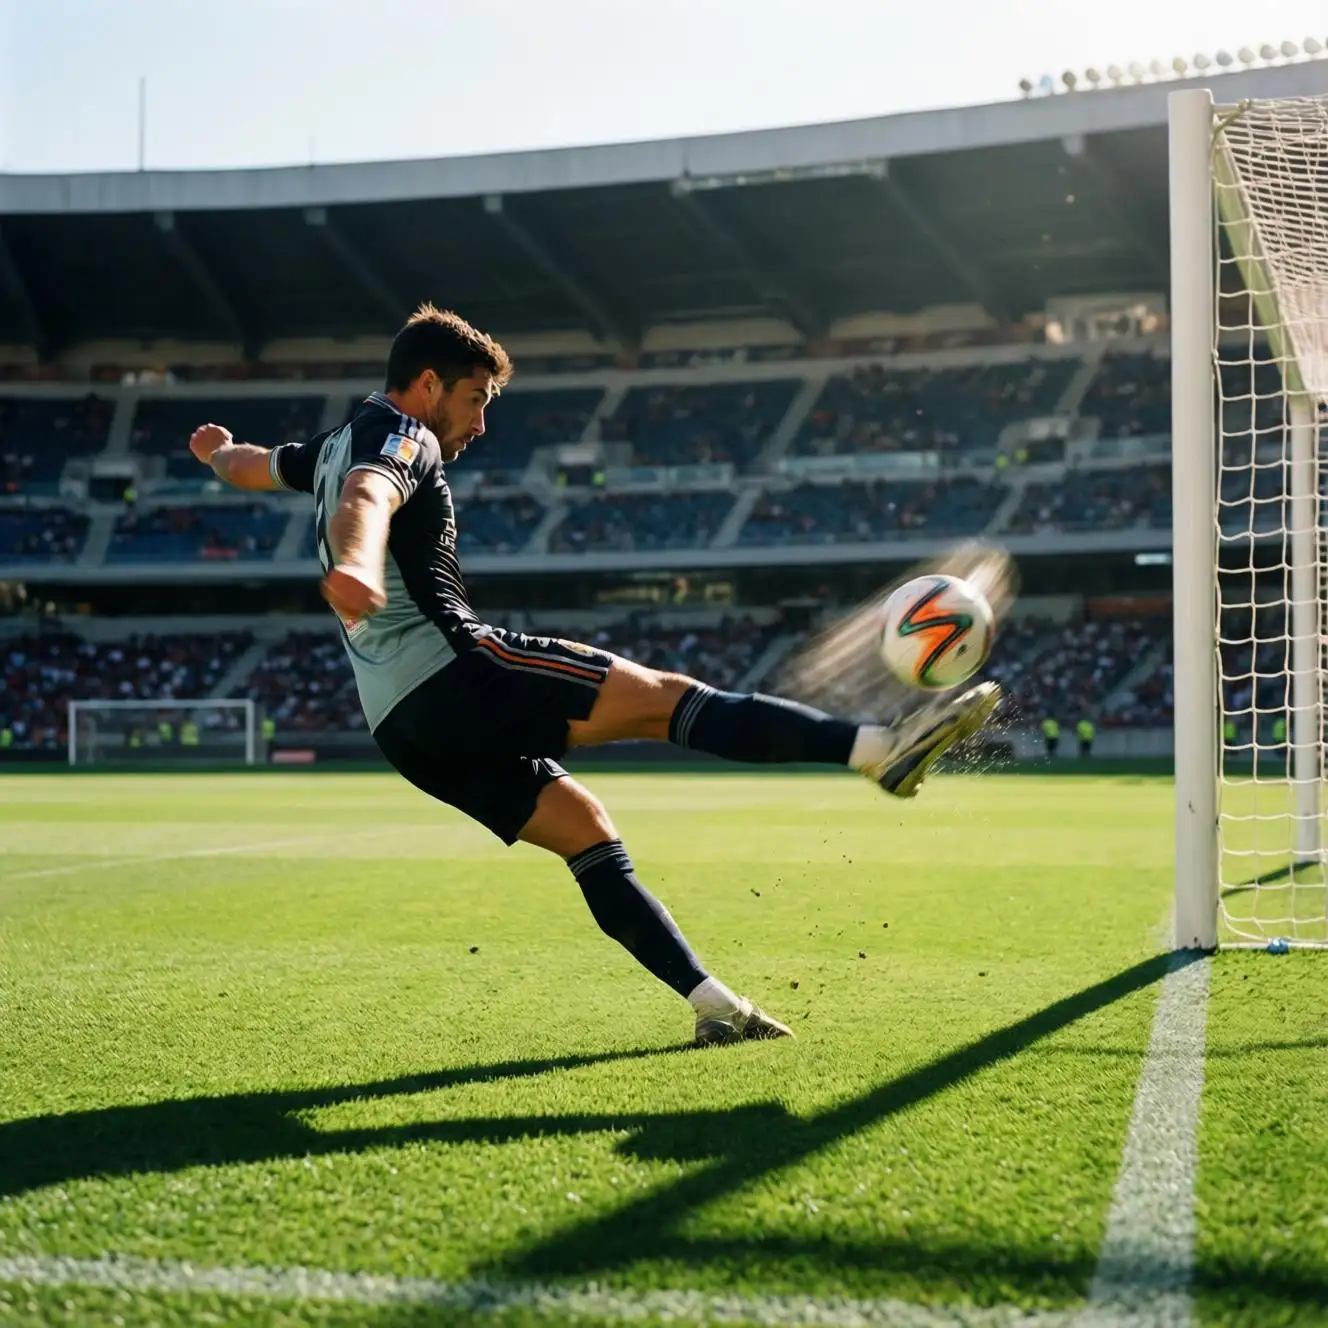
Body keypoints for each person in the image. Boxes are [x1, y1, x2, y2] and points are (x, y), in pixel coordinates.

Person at [187, 304, 999, 1047]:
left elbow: (259, 466)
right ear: (427, 385)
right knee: (669, 703)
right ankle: (877, 750)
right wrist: (359, 562)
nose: (475, 425)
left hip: (402, 728)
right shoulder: (405, 437)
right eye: (473, 400)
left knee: (583, 827)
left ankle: (716, 1008)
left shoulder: (331, 445)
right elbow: (367, 498)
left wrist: (218, 453)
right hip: (458, 670)